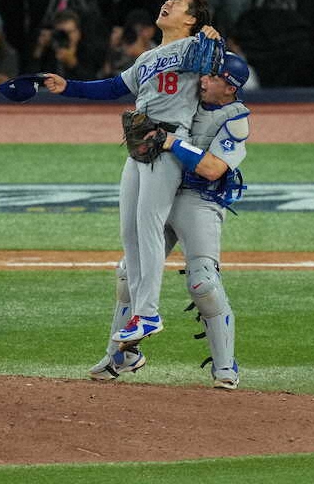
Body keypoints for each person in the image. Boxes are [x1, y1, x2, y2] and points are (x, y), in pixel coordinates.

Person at [41, 0, 219, 348]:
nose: (167, 3)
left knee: (149, 226)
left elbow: (219, 66)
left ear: (191, 19)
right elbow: (112, 87)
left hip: (167, 143)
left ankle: (149, 313)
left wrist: (213, 39)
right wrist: (67, 86)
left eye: (178, 2)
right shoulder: (148, 57)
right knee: (130, 233)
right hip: (139, 146)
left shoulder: (193, 47)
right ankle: (139, 316)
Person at [89, 52, 249, 389]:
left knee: (203, 282)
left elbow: (213, 168)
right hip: (163, 190)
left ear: (230, 88)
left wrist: (173, 142)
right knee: (129, 271)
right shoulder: (187, 99)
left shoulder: (235, 120)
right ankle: (120, 356)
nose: (203, 80)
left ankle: (225, 367)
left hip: (198, 200)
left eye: (213, 77)